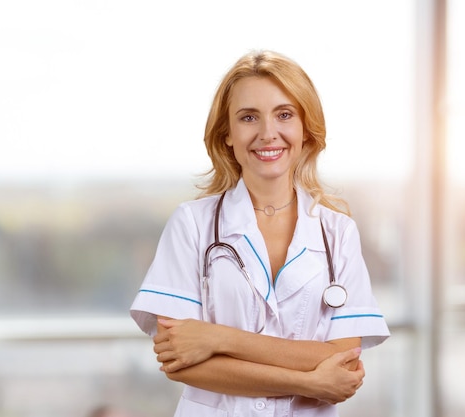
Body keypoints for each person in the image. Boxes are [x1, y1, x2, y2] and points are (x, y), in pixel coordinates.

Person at [130, 50, 390, 416]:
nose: (268, 134)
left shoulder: (338, 233)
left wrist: (218, 338)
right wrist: (307, 381)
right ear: (227, 135)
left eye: (284, 115)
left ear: (305, 129)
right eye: (249, 117)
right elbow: (181, 362)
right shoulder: (192, 224)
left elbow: (342, 362)